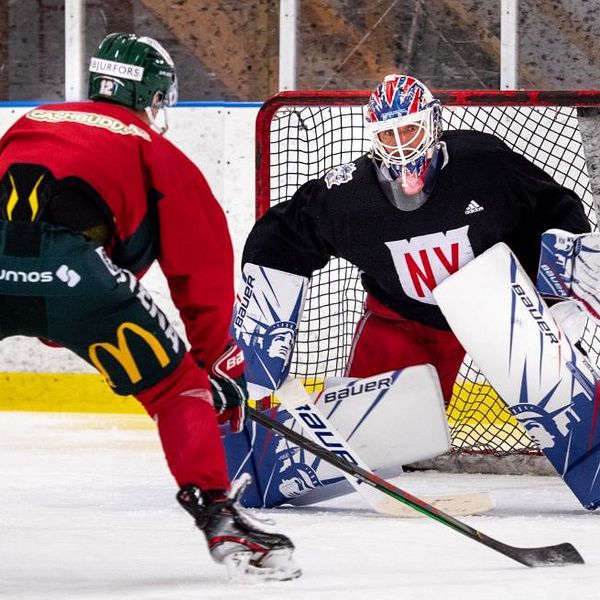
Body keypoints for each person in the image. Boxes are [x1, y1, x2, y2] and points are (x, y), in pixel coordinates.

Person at [0, 32, 300, 581]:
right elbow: (200, 272)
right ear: (155, 98)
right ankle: (218, 513)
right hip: (76, 277)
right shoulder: (157, 152)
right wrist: (214, 366)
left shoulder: (33, 120)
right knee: (174, 385)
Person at [241, 73, 591, 406]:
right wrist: (264, 332)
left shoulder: (484, 166)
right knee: (371, 439)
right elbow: (284, 235)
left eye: (409, 128)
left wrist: (561, 295)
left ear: (433, 123)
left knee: (569, 406)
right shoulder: (350, 196)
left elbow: (554, 208)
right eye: (388, 134)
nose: (400, 144)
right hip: (402, 318)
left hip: (502, 308)